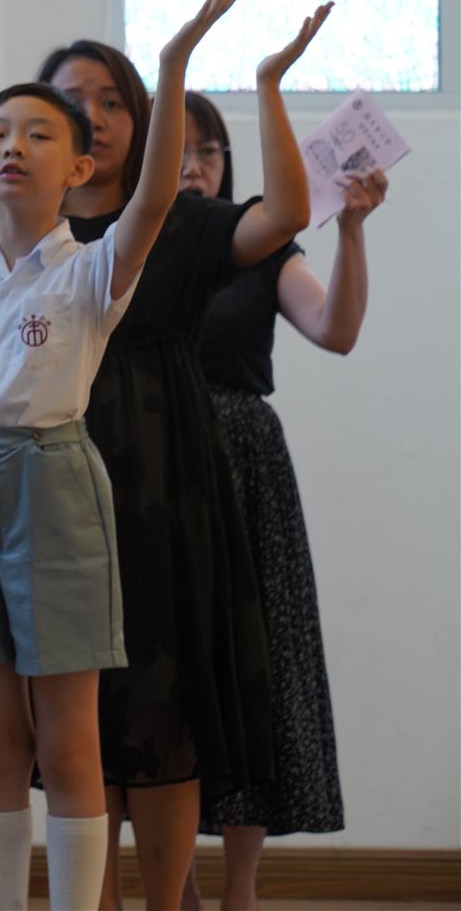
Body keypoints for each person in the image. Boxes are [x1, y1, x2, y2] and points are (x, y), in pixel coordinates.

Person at [0, 3, 325, 910]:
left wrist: (217, 71)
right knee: (22, 725)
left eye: (105, 102)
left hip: (131, 476)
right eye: (3, 127)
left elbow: (237, 208)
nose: (19, 142)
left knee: (131, 712)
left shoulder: (137, 242)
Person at [178, 92, 387, 911]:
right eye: (178, 149)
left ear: (227, 165)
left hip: (247, 467)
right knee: (167, 674)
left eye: (208, 151)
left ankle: (241, 891)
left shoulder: (261, 246)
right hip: (151, 459)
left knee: (255, 668)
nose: (193, 166)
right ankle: (175, 888)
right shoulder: (124, 245)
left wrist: (351, 230)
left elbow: (336, 329)